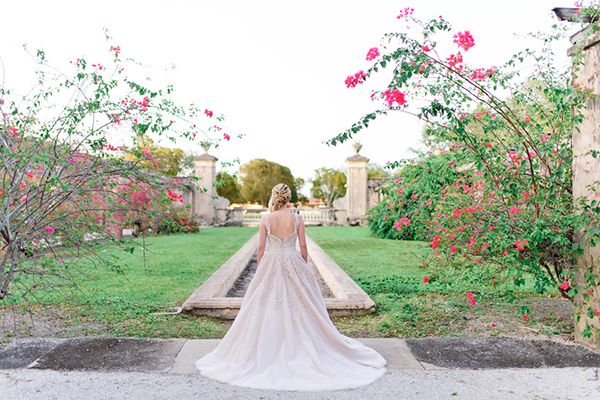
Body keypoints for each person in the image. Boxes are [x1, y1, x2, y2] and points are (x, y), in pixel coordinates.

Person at [194, 183, 387, 391]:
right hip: (293, 260)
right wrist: (302, 268)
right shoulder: (297, 218)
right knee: (301, 304)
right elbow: (303, 248)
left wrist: (262, 268)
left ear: (274, 196)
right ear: (288, 198)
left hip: (272, 261)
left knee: (267, 304)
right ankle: (301, 346)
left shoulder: (266, 218)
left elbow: (260, 248)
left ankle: (269, 346)